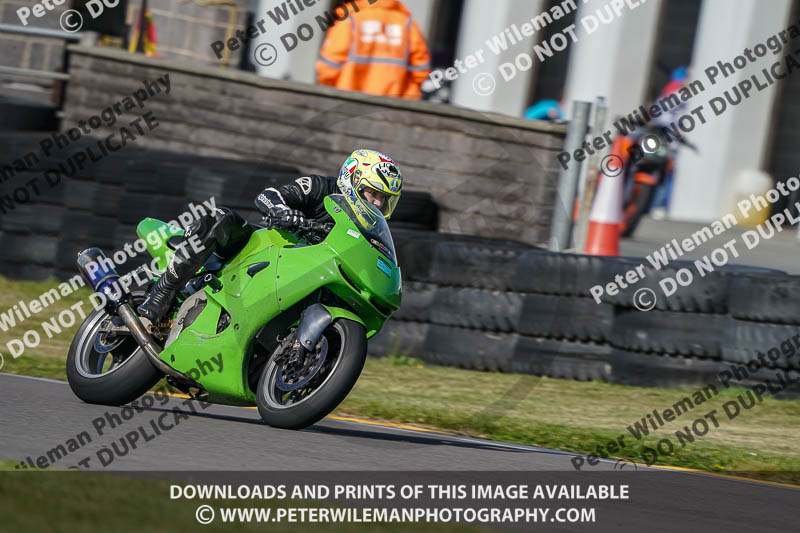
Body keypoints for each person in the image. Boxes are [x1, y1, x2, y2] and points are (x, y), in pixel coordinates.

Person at [136, 149, 403, 323]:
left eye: (385, 200)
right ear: (352, 179)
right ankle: (164, 290)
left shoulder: (367, 229)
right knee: (220, 218)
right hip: (263, 249)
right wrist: (283, 212)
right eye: (373, 193)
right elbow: (269, 194)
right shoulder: (320, 187)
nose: (378, 204)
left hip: (301, 275)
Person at [316, 0, 431, 100]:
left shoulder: (351, 20)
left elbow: (328, 68)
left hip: (349, 101)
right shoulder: (407, 24)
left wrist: (331, 92)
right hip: (394, 106)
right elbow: (421, 71)